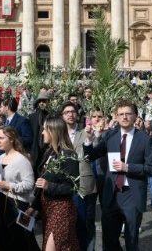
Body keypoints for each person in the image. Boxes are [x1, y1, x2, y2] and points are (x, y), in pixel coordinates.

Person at [83, 102, 152, 251]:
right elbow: (91, 155)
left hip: (132, 195)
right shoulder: (111, 136)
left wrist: (128, 167)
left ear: (135, 116)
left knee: (131, 240)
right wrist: (88, 140)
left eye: (128, 113)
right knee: (109, 240)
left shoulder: (144, 139)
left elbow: (151, 168)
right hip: (112, 196)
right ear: (116, 116)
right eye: (121, 114)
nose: (124, 117)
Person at [28, 116, 80, 251]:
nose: (42, 132)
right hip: (47, 208)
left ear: (53, 131)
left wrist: (49, 186)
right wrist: (34, 207)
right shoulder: (50, 152)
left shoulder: (68, 155)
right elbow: (42, 185)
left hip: (61, 209)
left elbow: (73, 187)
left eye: (45, 129)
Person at [0, 126, 40, 251]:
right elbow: (0, 183)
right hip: (2, 205)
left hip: (18, 206)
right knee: (2, 241)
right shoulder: (0, 158)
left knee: (22, 242)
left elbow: (30, 184)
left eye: (2, 138)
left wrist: (10, 185)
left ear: (12, 139)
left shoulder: (21, 160)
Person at [61, 101, 97, 251]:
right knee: (70, 224)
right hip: (65, 186)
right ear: (62, 116)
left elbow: (92, 154)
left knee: (86, 224)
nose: (70, 114)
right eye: (67, 112)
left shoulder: (86, 132)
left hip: (85, 185)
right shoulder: (59, 135)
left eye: (73, 111)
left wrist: (90, 139)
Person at [28, 91, 51, 174]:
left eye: (44, 101)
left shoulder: (50, 116)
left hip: (47, 148)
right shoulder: (32, 116)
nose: (42, 103)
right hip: (34, 149)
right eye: (40, 101)